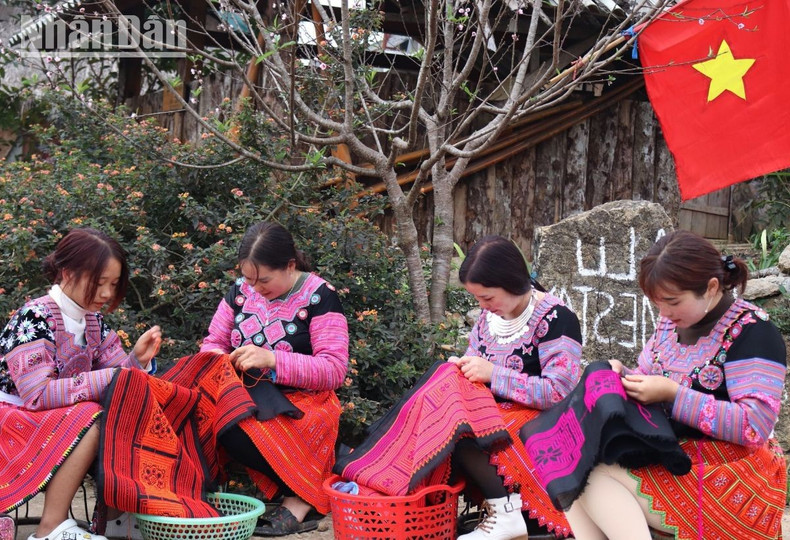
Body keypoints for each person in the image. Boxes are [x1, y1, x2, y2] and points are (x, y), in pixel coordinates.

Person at [564, 230, 787, 540]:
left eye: (671, 302)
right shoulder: (672, 323)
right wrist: (622, 376)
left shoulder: (754, 333)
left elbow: (754, 426)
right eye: (657, 304)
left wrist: (673, 394)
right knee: (572, 469)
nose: (664, 314)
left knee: (595, 479)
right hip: (676, 452)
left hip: (734, 472)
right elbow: (648, 375)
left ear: (710, 288)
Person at [0, 228, 162, 540]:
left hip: (53, 416)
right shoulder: (33, 317)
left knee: (123, 406)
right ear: (67, 272)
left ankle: (116, 517)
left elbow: (116, 375)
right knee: (93, 416)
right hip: (13, 417)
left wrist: (136, 361)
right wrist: (116, 376)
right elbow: (37, 394)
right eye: (99, 283)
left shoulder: (92, 321)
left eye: (113, 285)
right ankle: (50, 527)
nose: (106, 293)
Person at [200, 221, 349, 537]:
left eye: (263, 279)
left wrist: (272, 359)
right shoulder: (241, 291)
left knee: (239, 426)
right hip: (247, 393)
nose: (254, 288)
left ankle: (305, 497)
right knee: (212, 415)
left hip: (305, 402)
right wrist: (220, 359)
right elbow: (213, 341)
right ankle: (307, 485)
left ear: (290, 266)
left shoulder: (320, 296)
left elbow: (334, 369)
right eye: (249, 278)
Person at [450, 235, 583, 540]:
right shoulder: (488, 318)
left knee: (469, 432)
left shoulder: (556, 318)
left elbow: (559, 392)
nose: (482, 306)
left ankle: (506, 514)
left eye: (487, 297)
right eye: (478, 299)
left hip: (542, 419)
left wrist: (494, 375)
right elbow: (476, 360)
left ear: (512, 282)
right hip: (496, 410)